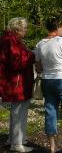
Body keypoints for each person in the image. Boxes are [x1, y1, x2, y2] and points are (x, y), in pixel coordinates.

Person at [35, 15, 62, 153]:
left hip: (48, 80)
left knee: (50, 112)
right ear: (58, 27)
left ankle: (52, 147)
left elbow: (38, 68)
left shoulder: (39, 44)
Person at [0, 18, 35, 152]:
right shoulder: (11, 41)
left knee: (17, 111)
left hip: (15, 81)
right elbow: (16, 62)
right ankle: (17, 143)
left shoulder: (10, 40)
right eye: (24, 28)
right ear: (16, 30)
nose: (26, 31)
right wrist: (32, 56)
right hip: (16, 82)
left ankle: (14, 139)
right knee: (19, 112)